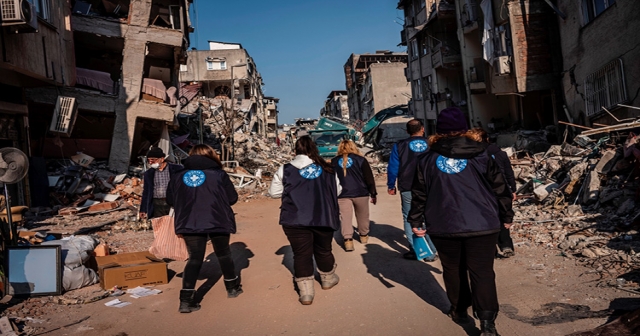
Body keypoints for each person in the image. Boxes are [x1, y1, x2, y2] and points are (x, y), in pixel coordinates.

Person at [408, 107, 514, 336]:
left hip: (444, 224)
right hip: (483, 224)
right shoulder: (484, 154)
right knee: (483, 272)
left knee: (453, 269)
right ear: (465, 129)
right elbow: (500, 188)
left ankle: (459, 310)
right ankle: (487, 323)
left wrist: (415, 220)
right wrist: (506, 216)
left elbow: (419, 193)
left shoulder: (427, 158)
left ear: (439, 131)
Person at [166, 144, 242, 313]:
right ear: (211, 156)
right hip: (218, 219)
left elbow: (170, 200)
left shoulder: (177, 176)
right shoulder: (219, 175)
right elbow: (232, 198)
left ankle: (186, 300)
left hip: (189, 221)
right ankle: (232, 287)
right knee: (223, 254)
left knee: (194, 258)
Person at [269, 136, 342, 305]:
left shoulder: (284, 169)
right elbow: (337, 190)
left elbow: (274, 193)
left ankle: (306, 292)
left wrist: (295, 192)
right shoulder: (328, 169)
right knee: (324, 249)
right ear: (314, 149)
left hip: (295, 218)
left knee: (301, 254)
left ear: (296, 150)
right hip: (323, 216)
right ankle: (327, 279)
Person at [387, 119, 437, 261]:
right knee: (429, 217)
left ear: (407, 131)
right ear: (422, 129)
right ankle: (432, 251)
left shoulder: (400, 145)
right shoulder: (431, 143)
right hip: (429, 186)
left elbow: (393, 167)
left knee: (409, 218)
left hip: (407, 186)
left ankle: (418, 250)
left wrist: (391, 185)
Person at [331, 139, 377, 252]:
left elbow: (330, 180)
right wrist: (373, 193)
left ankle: (348, 240)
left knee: (345, 217)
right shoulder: (361, 160)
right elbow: (369, 178)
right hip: (361, 192)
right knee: (363, 215)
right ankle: (363, 236)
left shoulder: (334, 161)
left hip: (342, 194)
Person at [479, 129, 518, 257]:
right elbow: (509, 173)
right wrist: (512, 189)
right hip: (502, 189)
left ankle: (491, 249)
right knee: (503, 218)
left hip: (483, 191)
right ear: (487, 139)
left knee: (486, 219)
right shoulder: (500, 153)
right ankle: (506, 245)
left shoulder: (476, 156)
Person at [140, 147, 182, 220]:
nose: (150, 162)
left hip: (172, 203)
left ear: (162, 159)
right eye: (149, 160)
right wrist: (143, 209)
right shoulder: (149, 173)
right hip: (157, 204)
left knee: (173, 225)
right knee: (160, 227)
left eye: (153, 160)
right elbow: (146, 192)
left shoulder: (177, 169)